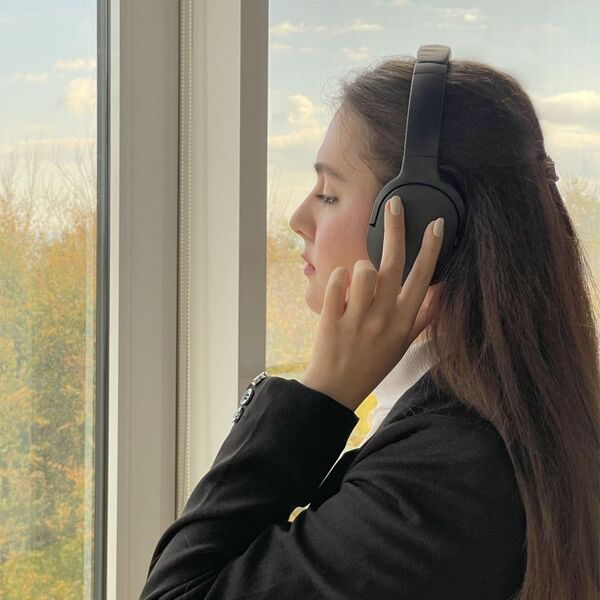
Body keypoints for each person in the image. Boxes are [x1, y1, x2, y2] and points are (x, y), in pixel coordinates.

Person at [139, 56, 600, 600]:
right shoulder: (482, 430)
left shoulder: (441, 478)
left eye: (329, 194)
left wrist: (321, 394)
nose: (298, 219)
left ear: (426, 221)